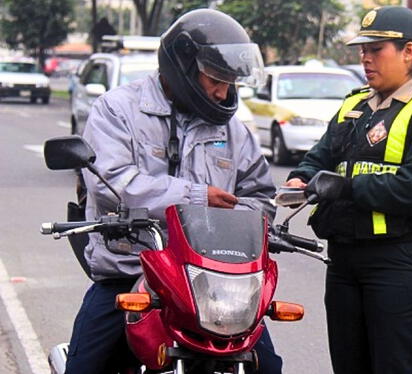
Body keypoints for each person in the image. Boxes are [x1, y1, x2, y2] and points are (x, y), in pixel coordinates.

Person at [65, 9, 282, 374]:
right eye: (215, 78)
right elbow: (113, 186)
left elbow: (260, 196)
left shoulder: (233, 131)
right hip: (130, 270)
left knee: (268, 366)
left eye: (230, 82)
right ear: (181, 66)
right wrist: (198, 197)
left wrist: (250, 216)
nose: (223, 91)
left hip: (211, 284)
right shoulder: (118, 111)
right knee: (86, 366)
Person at [284, 6, 412, 374]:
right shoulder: (354, 104)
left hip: (398, 260)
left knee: (395, 367)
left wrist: (344, 187)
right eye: (362, 50)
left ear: (408, 52)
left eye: (376, 49)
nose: (365, 58)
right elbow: (320, 156)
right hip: (344, 259)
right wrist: (302, 177)